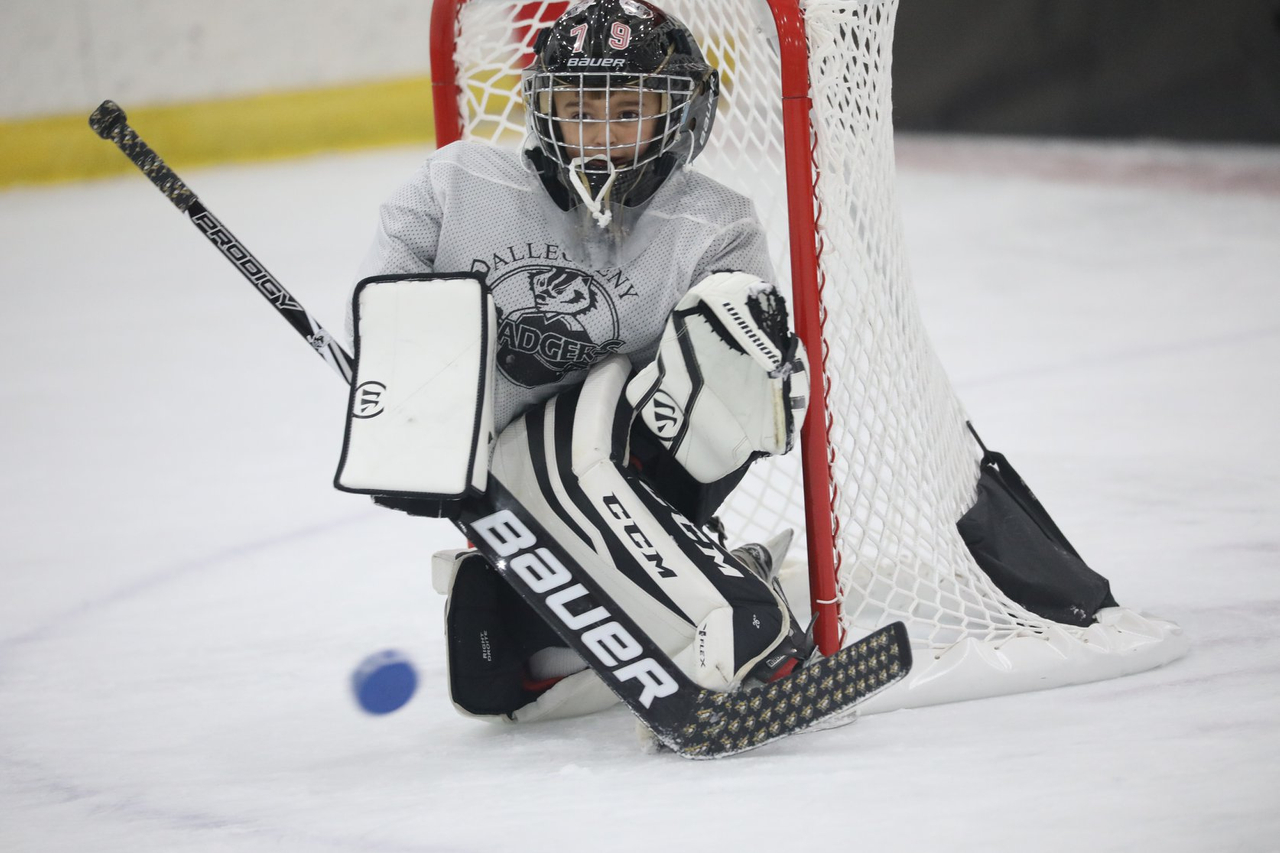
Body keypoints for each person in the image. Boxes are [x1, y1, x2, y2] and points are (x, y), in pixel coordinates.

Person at [353, 0, 813, 724]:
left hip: (639, 462)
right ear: (544, 111)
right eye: (579, 110)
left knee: (735, 327)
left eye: (628, 109)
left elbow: (743, 392)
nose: (600, 136)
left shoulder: (716, 225)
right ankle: (652, 590)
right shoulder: (457, 188)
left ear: (681, 114)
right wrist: (413, 429)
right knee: (496, 669)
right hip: (507, 470)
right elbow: (388, 325)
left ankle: (713, 588)